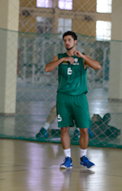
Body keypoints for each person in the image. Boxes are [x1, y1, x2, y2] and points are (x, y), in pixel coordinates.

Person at [44, 31, 101, 169]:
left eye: (69, 40)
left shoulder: (82, 57)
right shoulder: (60, 57)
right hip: (63, 97)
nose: (67, 42)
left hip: (80, 97)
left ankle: (83, 157)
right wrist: (61, 61)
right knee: (64, 129)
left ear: (75, 42)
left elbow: (98, 66)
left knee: (84, 130)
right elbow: (47, 68)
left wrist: (82, 56)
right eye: (65, 40)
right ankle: (68, 159)